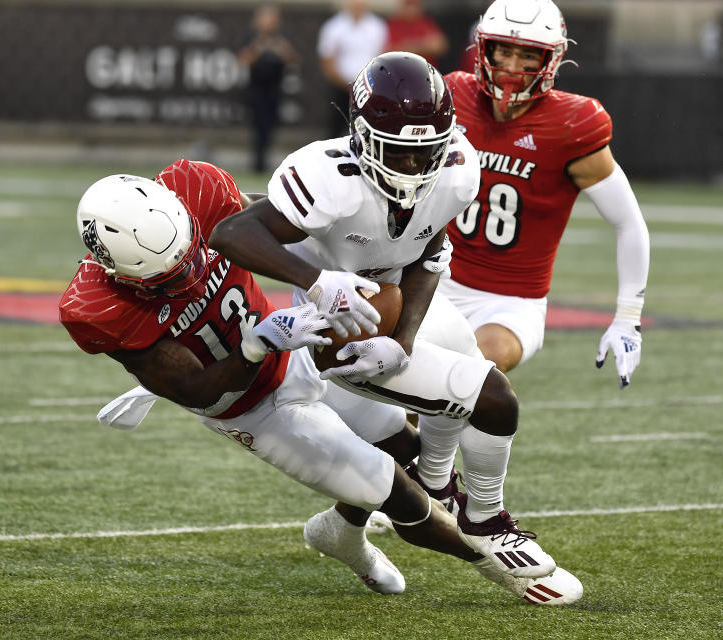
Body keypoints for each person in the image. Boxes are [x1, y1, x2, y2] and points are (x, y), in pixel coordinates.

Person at [59, 159, 581, 606]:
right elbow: (201, 393)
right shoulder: (100, 308)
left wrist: (333, 273)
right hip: (252, 409)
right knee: (404, 498)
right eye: (168, 276)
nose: (189, 272)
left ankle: (339, 533)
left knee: (410, 450)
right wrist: (255, 344)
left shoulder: (198, 188)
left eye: (190, 252)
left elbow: (279, 224)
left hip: (298, 350)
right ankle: (500, 565)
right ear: (117, 271)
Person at [207, 51, 582, 602]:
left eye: (423, 152)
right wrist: (317, 280)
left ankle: (412, 493)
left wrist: (403, 341)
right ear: (360, 137)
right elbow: (233, 233)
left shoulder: (456, 168)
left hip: (396, 308)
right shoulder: (326, 175)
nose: (411, 167)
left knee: (463, 367)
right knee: (493, 397)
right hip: (339, 336)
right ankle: (484, 520)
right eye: (398, 153)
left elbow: (430, 249)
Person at [441, 0, 650, 382]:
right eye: (504, 51)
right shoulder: (454, 95)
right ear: (485, 48)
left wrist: (628, 318)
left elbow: (628, 222)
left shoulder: (571, 125)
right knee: (391, 384)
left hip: (510, 304)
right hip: (434, 281)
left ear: (550, 61)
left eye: (528, 56)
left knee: (473, 367)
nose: (513, 67)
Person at [236, 4, 298, 174]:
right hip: (256, 89)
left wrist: (279, 48)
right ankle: (257, 162)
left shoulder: (281, 39)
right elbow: (243, 59)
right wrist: (259, 47)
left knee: (270, 125)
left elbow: (293, 59)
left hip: (275, 89)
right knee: (258, 125)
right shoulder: (251, 39)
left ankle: (264, 159)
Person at [316, 0, 386, 137]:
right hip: (341, 87)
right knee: (336, 126)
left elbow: (382, 55)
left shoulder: (377, 26)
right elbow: (327, 60)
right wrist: (346, 85)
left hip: (370, 89)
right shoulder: (333, 27)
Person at [384, 0, 448, 68]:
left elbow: (440, 46)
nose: (412, 9)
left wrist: (411, 47)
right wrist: (424, 45)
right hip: (401, 72)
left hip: (427, 71)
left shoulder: (426, 22)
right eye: (409, 5)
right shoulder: (393, 25)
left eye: (415, 5)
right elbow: (388, 52)